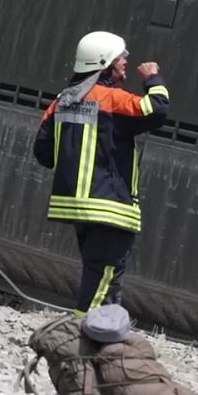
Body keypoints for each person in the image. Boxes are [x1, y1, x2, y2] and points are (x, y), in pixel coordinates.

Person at [34, 31, 170, 312]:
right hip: (109, 207)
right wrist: (152, 79)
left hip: (77, 209)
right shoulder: (112, 99)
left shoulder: (62, 100)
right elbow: (156, 110)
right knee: (104, 283)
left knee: (96, 276)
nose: (125, 62)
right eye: (121, 57)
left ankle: (93, 337)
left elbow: (43, 151)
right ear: (105, 62)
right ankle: (84, 338)